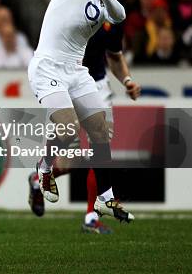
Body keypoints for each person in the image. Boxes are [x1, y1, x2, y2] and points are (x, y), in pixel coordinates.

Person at [27, 0, 137, 223]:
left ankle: (105, 197)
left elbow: (120, 16)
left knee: (100, 131)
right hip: (47, 67)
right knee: (68, 129)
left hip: (76, 71)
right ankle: (44, 168)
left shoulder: (107, 2)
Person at [28, 21, 142, 233]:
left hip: (96, 86)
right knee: (71, 161)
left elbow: (115, 56)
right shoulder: (76, 7)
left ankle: (91, 218)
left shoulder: (114, 14)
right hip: (64, 84)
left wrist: (127, 80)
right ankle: (39, 177)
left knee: (98, 151)